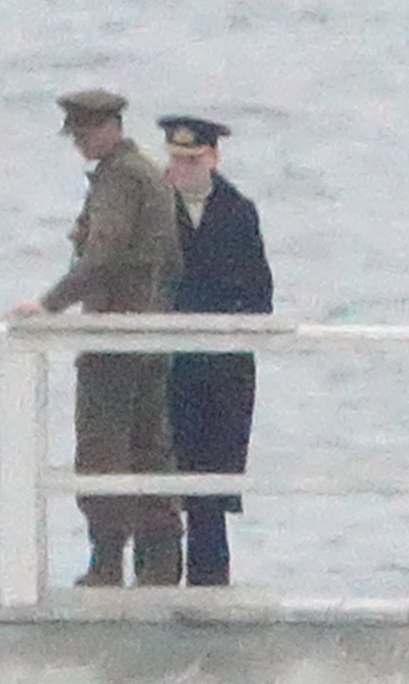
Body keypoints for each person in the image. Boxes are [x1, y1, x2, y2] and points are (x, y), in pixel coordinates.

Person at [9, 89, 185, 587]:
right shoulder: (146, 175)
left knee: (104, 449)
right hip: (148, 333)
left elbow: (101, 257)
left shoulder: (121, 179)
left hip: (115, 334)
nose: (81, 144)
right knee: (150, 446)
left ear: (111, 127)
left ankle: (107, 563)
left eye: (85, 134)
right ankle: (160, 565)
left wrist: (48, 305)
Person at [158, 115, 273, 586]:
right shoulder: (156, 206)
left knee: (212, 488)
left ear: (213, 157)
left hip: (224, 371)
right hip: (169, 366)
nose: (184, 168)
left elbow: (261, 292)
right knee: (163, 481)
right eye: (177, 159)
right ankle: (160, 583)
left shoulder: (238, 211)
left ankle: (211, 586)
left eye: (194, 159)